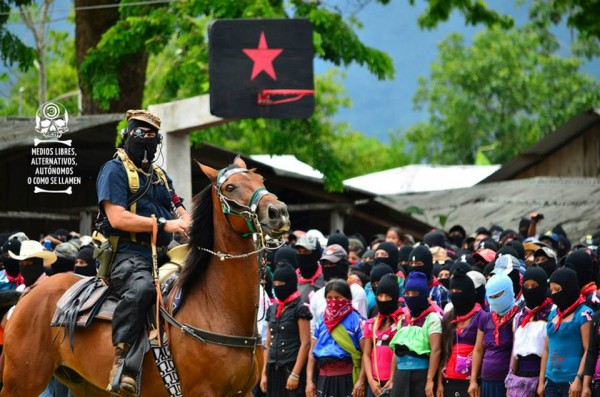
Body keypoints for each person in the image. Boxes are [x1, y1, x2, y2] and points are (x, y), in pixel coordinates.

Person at [96, 109, 191, 396]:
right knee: (142, 289)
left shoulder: (160, 175)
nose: (147, 143)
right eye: (142, 136)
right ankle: (121, 362)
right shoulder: (113, 170)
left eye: (153, 138)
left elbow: (178, 206)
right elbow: (117, 218)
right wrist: (166, 224)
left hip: (163, 252)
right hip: (127, 254)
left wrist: (187, 222)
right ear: (128, 136)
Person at [306, 280, 366, 397]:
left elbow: (366, 354)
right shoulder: (321, 323)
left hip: (347, 379)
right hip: (323, 379)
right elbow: (312, 354)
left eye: (338, 298)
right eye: (329, 298)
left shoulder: (356, 321)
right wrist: (309, 382)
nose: (333, 301)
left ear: (348, 298)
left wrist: (361, 381)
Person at [538, 267, 592, 397]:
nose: (553, 294)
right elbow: (546, 349)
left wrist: (579, 380)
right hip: (550, 381)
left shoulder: (584, 314)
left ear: (569, 288)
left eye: (558, 289)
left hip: (571, 382)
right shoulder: (553, 314)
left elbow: (588, 350)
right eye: (551, 290)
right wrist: (541, 381)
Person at [260, 264, 312, 396]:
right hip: (273, 369)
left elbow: (305, 343)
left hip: (291, 368)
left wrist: (295, 374)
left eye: (281, 283)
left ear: (290, 284)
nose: (277, 287)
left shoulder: (300, 309)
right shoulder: (272, 309)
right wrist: (264, 373)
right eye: (275, 283)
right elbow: (268, 344)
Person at [390, 271, 442, 397]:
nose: (410, 297)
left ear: (423, 294)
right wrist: (392, 378)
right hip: (400, 376)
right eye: (407, 294)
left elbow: (436, 350)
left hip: (422, 374)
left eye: (415, 293)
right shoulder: (403, 320)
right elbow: (395, 353)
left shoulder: (432, 318)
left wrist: (430, 380)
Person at [505, 267, 552, 397]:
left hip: (542, 376)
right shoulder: (519, 316)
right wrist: (510, 379)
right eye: (526, 286)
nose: (530, 290)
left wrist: (542, 382)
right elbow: (515, 352)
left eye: (534, 286)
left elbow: (547, 351)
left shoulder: (552, 314)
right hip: (521, 377)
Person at [469, 273, 518, 397]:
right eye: (491, 297)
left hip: (508, 382)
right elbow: (478, 349)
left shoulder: (518, 316)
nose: (495, 300)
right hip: (487, 381)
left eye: (498, 296)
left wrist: (512, 380)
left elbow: (516, 351)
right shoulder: (486, 318)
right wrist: (473, 380)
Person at [438, 269, 484, 397]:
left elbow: (480, 350)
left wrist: (475, 381)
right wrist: (439, 383)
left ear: (469, 293)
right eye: (452, 292)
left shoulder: (482, 317)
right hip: (448, 381)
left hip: (470, 384)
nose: (454, 295)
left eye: (458, 292)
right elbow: (441, 352)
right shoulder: (448, 318)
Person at [362, 274, 402, 397]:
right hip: (375, 383)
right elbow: (366, 354)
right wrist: (370, 381)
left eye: (387, 296)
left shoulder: (402, 321)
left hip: (394, 382)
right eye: (380, 296)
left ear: (395, 297)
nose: (383, 300)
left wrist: (392, 379)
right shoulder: (371, 324)